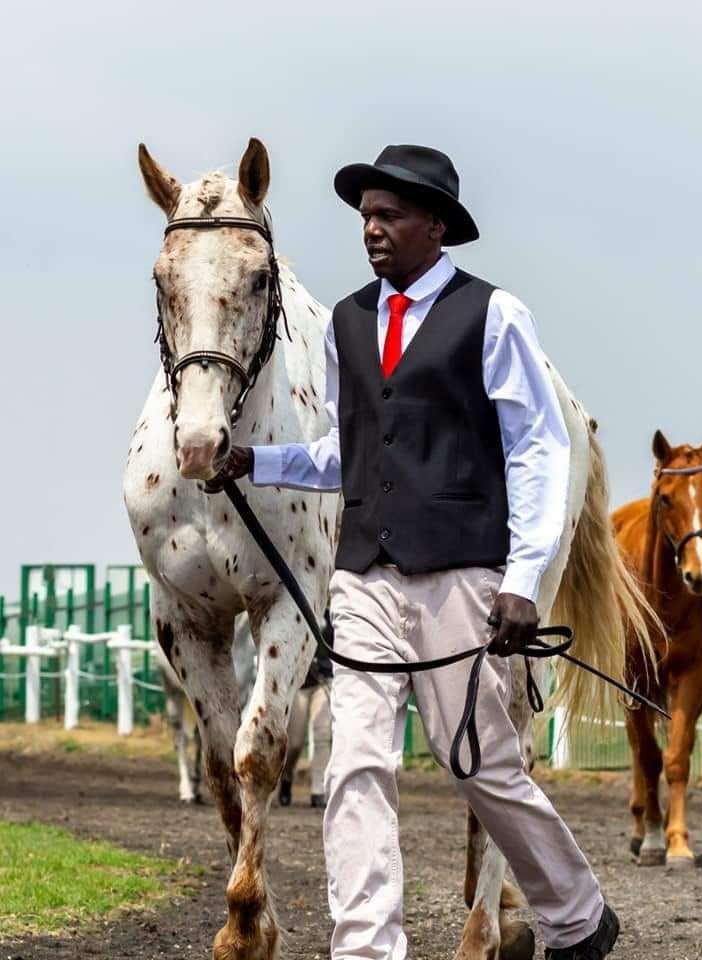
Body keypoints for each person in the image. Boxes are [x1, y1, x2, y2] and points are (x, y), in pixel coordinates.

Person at [210, 144, 618, 960]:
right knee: (355, 763)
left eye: (390, 215)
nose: (372, 230)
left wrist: (525, 579)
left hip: (463, 575)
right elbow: (346, 454)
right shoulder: (350, 323)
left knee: (479, 762)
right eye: (365, 216)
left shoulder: (494, 316)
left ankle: (578, 914)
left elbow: (539, 450)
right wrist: (259, 461)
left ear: (437, 226)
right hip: (364, 578)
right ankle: (366, 947)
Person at [279, 618, 334, 810]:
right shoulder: (299, 612)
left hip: (324, 683)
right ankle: (286, 777)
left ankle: (319, 790)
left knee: (323, 735)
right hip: (300, 686)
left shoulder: (334, 613)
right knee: (294, 743)